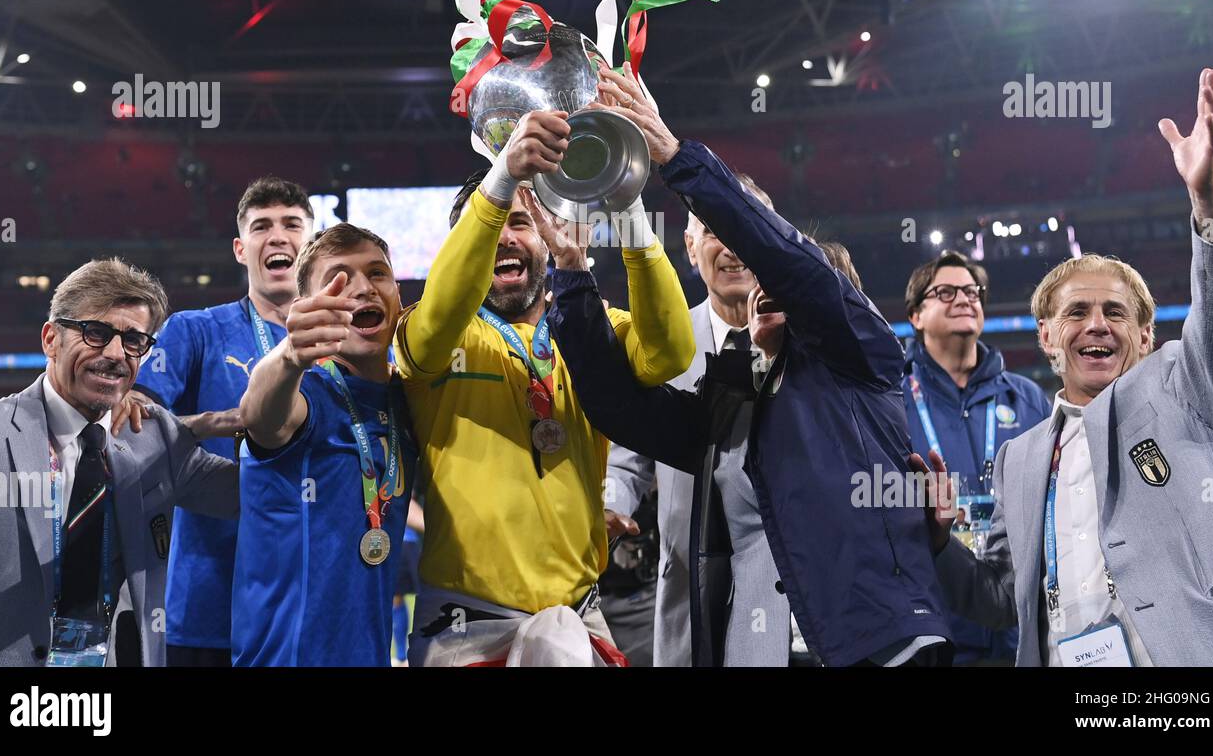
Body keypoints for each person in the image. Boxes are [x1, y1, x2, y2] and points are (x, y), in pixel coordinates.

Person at [546, 65, 952, 666]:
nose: (757, 278)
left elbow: (791, 264)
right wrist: (574, 277)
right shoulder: (734, 400)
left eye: (765, 264)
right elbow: (620, 408)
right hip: (757, 648)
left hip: (878, 645)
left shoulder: (859, 355)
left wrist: (677, 157)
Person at [913, 68, 1213, 666]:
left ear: (1147, 335)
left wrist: (1207, 205)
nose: (1097, 324)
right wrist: (941, 540)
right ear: (1047, 336)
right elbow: (1000, 597)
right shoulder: (1019, 458)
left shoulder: (1186, 386)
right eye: (1077, 312)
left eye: (1115, 312)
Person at [396, 107, 695, 666]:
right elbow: (439, 318)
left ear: (549, 231)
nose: (506, 238)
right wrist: (503, 173)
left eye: (521, 223)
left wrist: (626, 202)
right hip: (465, 629)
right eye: (492, 224)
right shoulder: (432, 334)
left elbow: (669, 352)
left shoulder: (590, 331)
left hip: (578, 619)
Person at [0, 259, 238, 666]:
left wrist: (275, 410)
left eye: (133, 341)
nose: (114, 354)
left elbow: (250, 496)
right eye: (96, 332)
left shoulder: (156, 438)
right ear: (51, 339)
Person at [118, 176, 313, 667]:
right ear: (240, 248)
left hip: (313, 594)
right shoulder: (196, 329)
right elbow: (128, 424)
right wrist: (214, 421)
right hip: (210, 601)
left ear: (311, 246)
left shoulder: (348, 344)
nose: (277, 236)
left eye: (292, 225)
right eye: (261, 226)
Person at [603, 172, 774, 668]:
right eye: (717, 230)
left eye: (746, 225)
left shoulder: (809, 345)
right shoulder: (661, 345)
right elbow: (627, 461)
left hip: (790, 595)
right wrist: (612, 508)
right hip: (688, 593)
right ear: (690, 245)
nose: (734, 247)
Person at [234, 223, 417, 666]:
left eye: (377, 274)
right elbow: (260, 417)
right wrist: (289, 354)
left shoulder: (409, 401)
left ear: (397, 294)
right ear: (306, 308)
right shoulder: (307, 394)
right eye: (339, 278)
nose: (362, 288)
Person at [903, 250, 1050, 664]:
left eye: (972, 291)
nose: (965, 299)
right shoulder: (892, 400)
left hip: (1017, 628)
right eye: (946, 292)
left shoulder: (1027, 398)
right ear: (916, 315)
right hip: (930, 625)